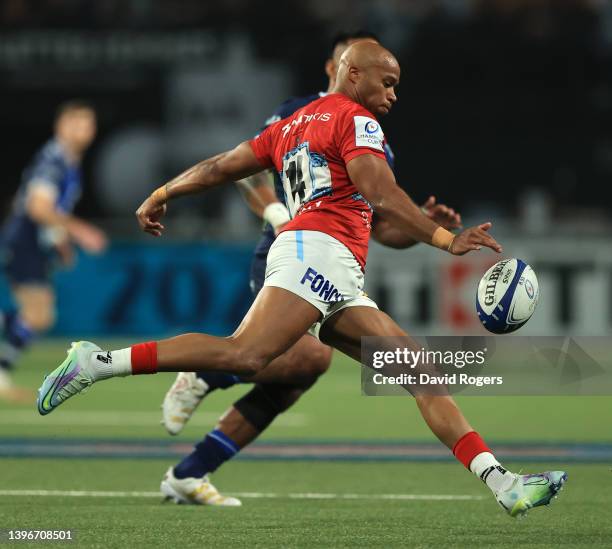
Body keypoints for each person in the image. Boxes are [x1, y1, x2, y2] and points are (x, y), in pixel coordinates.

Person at [37, 42, 566, 517]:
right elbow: (380, 193)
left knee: (420, 373)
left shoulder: (293, 124)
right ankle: (98, 361)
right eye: (388, 82)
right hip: (316, 252)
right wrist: (447, 240)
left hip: (335, 266)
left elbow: (225, 166)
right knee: (245, 355)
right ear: (353, 74)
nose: (393, 94)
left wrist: (163, 192)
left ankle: (504, 483)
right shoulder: (357, 121)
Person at [158, 31, 463, 507]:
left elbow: (382, 226)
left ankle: (191, 470)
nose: (387, 88)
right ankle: (207, 372)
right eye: (365, 63)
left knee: (297, 376)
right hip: (289, 248)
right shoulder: (294, 110)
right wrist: (276, 214)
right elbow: (247, 170)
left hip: (333, 256)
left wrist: (423, 225)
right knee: (302, 358)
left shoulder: (369, 127)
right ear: (340, 65)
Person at [0, 101, 107, 401]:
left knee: (38, 315)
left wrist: (60, 240)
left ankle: (2, 373)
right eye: (79, 124)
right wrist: (80, 231)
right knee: (38, 314)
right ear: (61, 126)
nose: (86, 131)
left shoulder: (68, 162)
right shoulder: (54, 161)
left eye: (90, 124)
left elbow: (51, 210)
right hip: (24, 241)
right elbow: (37, 208)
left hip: (33, 242)